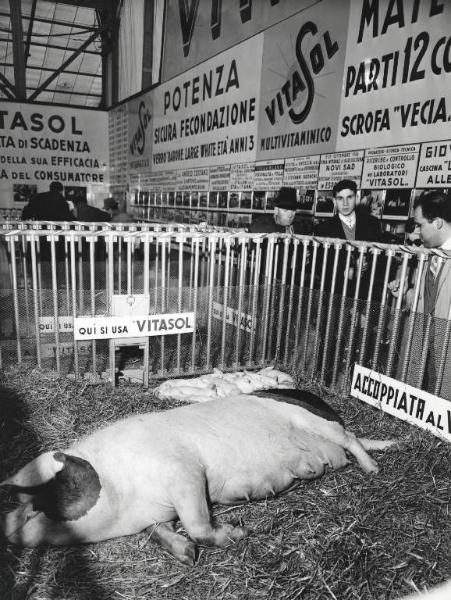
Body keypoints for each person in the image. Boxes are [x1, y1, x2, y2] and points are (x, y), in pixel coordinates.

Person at [389, 190, 451, 397]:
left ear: (438, 223)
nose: (416, 231)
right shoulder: (429, 253)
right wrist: (407, 294)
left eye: (420, 224)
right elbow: (430, 297)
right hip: (429, 340)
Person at [315, 179, 383, 299]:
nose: (345, 203)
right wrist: (345, 272)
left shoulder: (373, 224)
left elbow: (381, 259)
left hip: (365, 293)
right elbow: (320, 266)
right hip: (335, 293)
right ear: (335, 201)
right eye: (340, 198)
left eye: (349, 197)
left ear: (356, 198)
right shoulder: (323, 229)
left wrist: (366, 264)